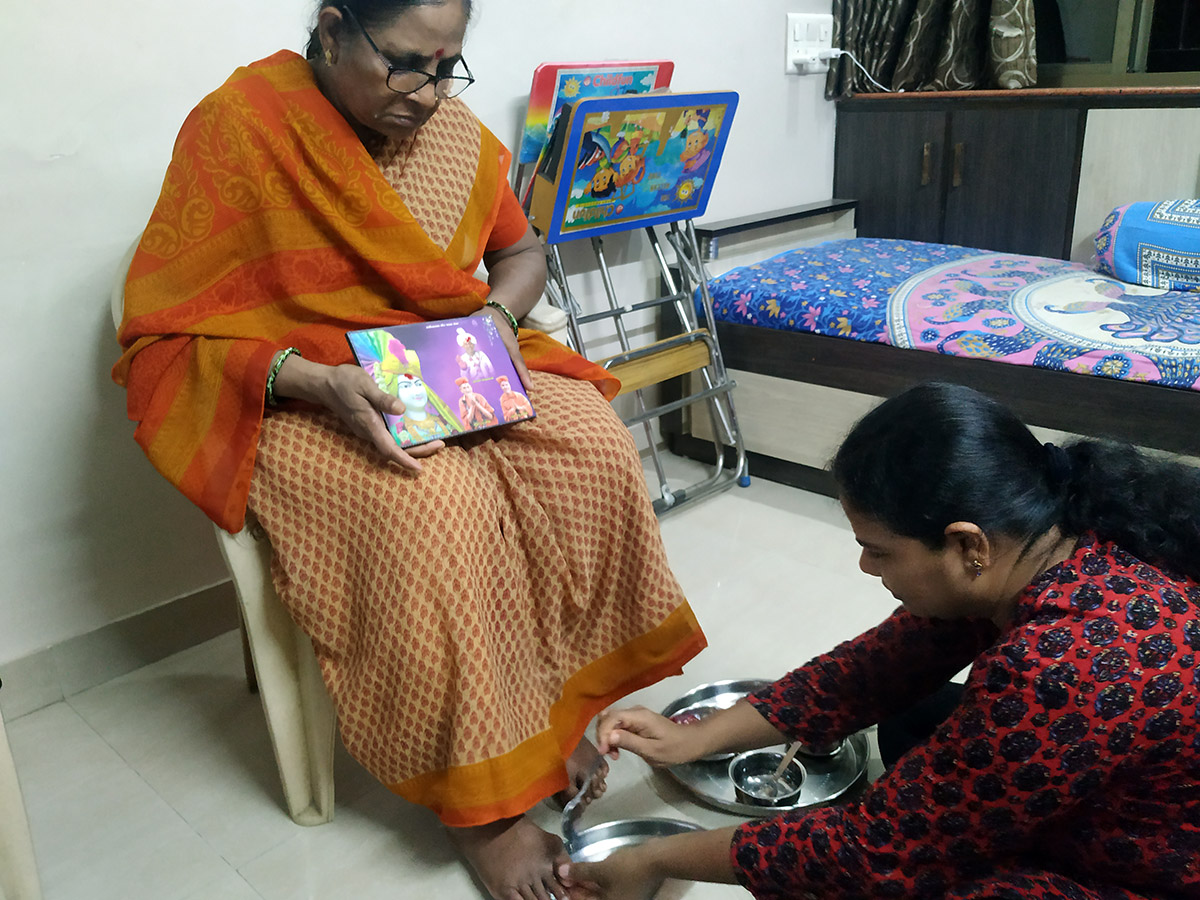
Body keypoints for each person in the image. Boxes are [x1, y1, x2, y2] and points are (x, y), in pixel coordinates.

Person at [111, 3, 707, 898]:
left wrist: (491, 322)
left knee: (587, 445)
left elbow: (522, 251)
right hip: (302, 387)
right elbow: (166, 333)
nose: (428, 94)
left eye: (446, 66)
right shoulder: (240, 128)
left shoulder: (454, 136)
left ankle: (548, 722)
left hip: (444, 356)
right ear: (332, 30)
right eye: (403, 64)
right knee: (434, 500)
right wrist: (319, 382)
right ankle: (481, 809)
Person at [560, 382, 1200, 900]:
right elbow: (873, 670)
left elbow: (872, 850)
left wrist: (653, 858)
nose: (866, 567)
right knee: (911, 721)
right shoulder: (1051, 535)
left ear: (966, 544)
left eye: (879, 550)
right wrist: (697, 737)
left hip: (1160, 868)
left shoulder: (1066, 663)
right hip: (1112, 784)